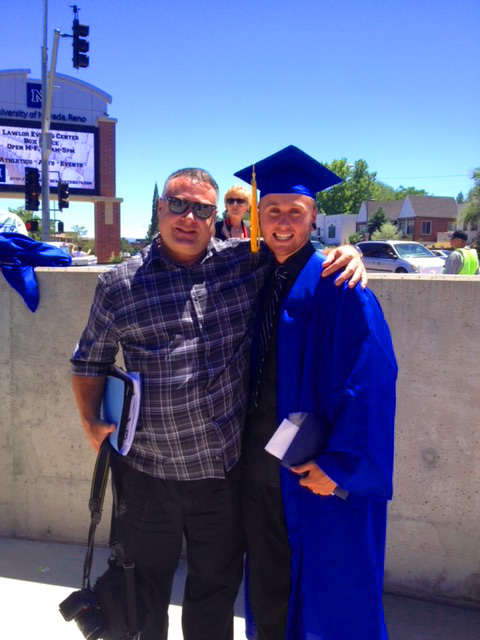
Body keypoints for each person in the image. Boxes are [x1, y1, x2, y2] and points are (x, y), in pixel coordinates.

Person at [70, 166, 365, 640]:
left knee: (214, 592)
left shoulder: (243, 263)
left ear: (215, 218)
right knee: (141, 594)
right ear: (160, 209)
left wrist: (346, 251)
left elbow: (294, 245)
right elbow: (89, 361)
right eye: (178, 204)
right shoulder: (120, 285)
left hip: (222, 480)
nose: (189, 217)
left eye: (203, 209)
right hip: (148, 478)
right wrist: (90, 421)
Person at [235, 146, 397, 640]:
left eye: (295, 212)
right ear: (258, 217)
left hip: (313, 473)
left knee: (328, 595)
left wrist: (339, 466)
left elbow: (371, 380)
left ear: (314, 216)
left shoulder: (339, 283)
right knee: (267, 587)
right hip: (258, 467)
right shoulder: (256, 274)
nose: (283, 223)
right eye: (273, 211)